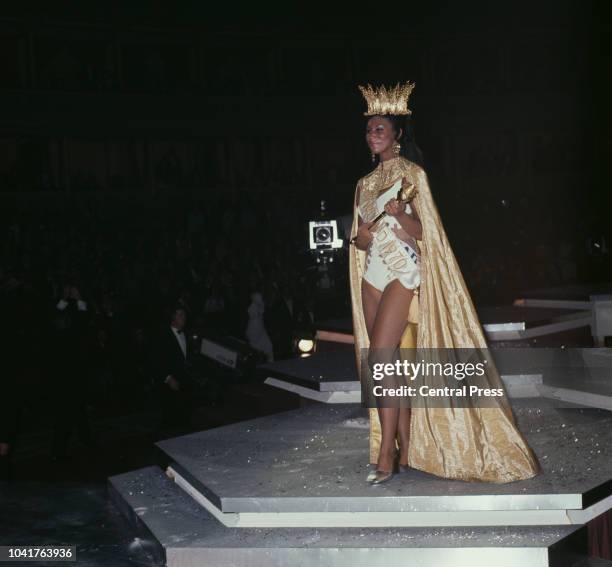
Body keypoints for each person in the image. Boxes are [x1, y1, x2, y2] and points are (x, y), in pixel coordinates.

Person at [349, 81, 540, 484]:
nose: (373, 135)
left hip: (403, 275)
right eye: (369, 130)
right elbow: (359, 237)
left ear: (398, 135)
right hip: (372, 277)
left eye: (380, 128)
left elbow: (428, 233)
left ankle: (386, 452)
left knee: (381, 358)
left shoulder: (413, 175)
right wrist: (360, 238)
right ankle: (402, 443)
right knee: (388, 364)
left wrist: (401, 217)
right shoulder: (363, 184)